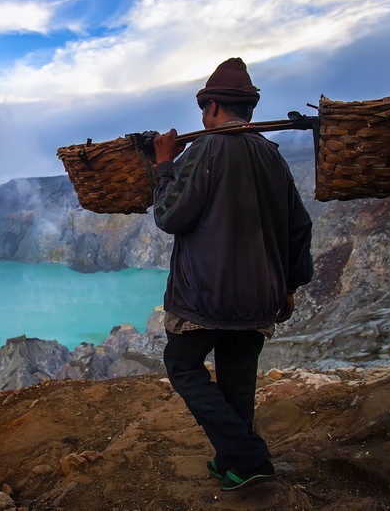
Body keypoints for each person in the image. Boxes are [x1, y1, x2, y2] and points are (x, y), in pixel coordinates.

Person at [152, 57, 313, 491]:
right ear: (251, 111)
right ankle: (235, 463)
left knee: (182, 365)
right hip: (260, 296)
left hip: (205, 296)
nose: (203, 117)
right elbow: (299, 226)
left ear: (214, 107)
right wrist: (290, 287)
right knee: (238, 381)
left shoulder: (204, 150)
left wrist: (164, 165)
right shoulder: (272, 156)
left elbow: (169, 215)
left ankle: (248, 457)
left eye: (205, 108)